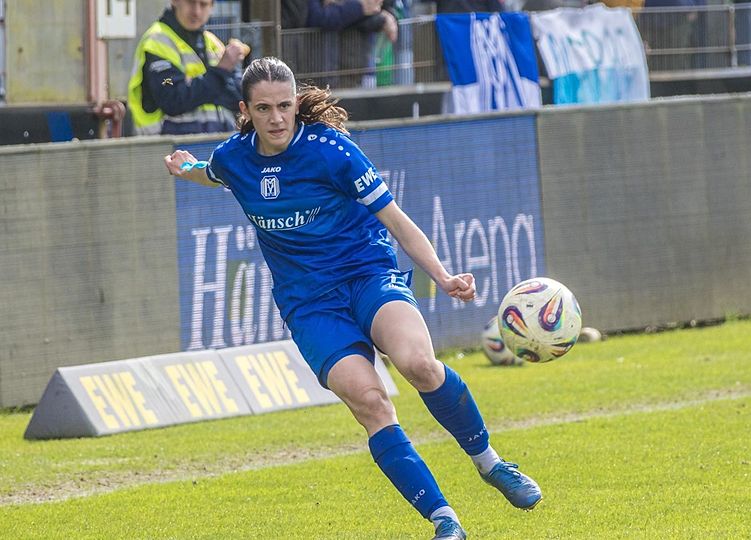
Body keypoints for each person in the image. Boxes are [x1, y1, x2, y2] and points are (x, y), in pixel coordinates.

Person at [163, 56, 541, 540]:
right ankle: (445, 520)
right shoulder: (234, 158)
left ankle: (491, 464)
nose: (277, 118)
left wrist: (443, 277)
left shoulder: (332, 150)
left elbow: (396, 220)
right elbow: (211, 173)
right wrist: (187, 168)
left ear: (296, 103)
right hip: (309, 305)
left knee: (419, 364)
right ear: (245, 110)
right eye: (264, 109)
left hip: (368, 276)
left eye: (285, 106)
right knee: (370, 402)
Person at [128, 0, 247, 135]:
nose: (196, 12)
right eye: (190, 2)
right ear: (174, 1)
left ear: (212, 6)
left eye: (203, 4)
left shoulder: (212, 42)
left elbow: (238, 97)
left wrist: (195, 86)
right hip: (170, 143)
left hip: (216, 140)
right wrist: (220, 73)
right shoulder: (157, 40)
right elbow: (171, 96)